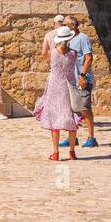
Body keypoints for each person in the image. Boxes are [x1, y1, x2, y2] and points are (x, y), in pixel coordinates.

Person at [34, 27, 79, 160]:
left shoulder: (51, 53)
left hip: (54, 87)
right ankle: (72, 152)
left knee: (54, 120)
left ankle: (55, 153)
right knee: (71, 119)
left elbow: (47, 59)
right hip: (69, 88)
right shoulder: (74, 54)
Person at [60, 15, 97, 149]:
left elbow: (88, 57)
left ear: (73, 26)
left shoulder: (83, 38)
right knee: (71, 109)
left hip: (82, 80)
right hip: (71, 79)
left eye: (66, 24)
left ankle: (91, 138)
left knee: (84, 109)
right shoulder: (67, 40)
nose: (63, 27)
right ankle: (72, 138)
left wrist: (83, 75)